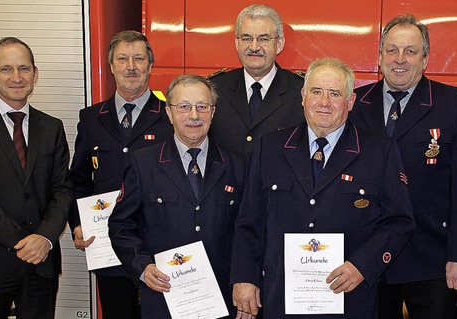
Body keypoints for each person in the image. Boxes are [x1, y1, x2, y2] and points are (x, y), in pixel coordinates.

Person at [231, 57, 415, 319]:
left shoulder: (379, 152)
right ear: (304, 96)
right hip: (281, 297)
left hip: (349, 297)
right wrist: (244, 278)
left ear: (350, 102)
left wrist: (362, 266)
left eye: (335, 94)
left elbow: (400, 222)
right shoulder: (269, 148)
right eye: (316, 92)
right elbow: (249, 221)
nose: (324, 102)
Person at [349, 14, 457, 319]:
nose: (400, 59)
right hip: (367, 259)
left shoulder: (454, 103)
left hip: (432, 259)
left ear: (424, 59)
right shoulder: (355, 103)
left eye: (410, 51)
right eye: (392, 50)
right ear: (380, 56)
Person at [108, 74, 246, 319]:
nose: (194, 115)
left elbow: (248, 230)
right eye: (183, 107)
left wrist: (246, 281)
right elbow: (121, 225)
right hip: (164, 298)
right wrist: (142, 267)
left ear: (213, 112)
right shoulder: (143, 164)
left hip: (222, 300)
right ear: (169, 113)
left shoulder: (237, 166)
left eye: (202, 107)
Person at [67, 30, 173, 318]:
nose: (131, 67)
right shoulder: (91, 119)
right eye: (122, 59)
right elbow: (78, 179)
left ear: (150, 66)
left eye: (139, 59)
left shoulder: (170, 116)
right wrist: (77, 224)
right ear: (111, 66)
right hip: (108, 250)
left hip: (157, 251)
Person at [0, 37, 71, 318]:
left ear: (36, 73)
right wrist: (23, 242)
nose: (17, 77)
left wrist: (44, 238)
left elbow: (63, 190)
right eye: (6, 69)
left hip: (41, 264)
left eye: (24, 68)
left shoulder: (52, 127)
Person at [209, 4, 305, 156]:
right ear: (236, 43)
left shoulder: (301, 92)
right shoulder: (215, 89)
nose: (254, 47)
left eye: (263, 39)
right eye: (246, 38)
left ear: (279, 44)